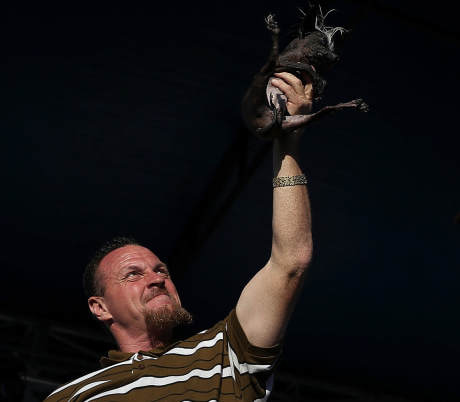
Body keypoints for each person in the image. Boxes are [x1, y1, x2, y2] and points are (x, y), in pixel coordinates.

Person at [44, 70, 315, 402]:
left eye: (161, 270)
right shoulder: (71, 396)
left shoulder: (226, 354)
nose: (157, 279)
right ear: (99, 307)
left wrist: (286, 142)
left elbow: (290, 262)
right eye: (133, 274)